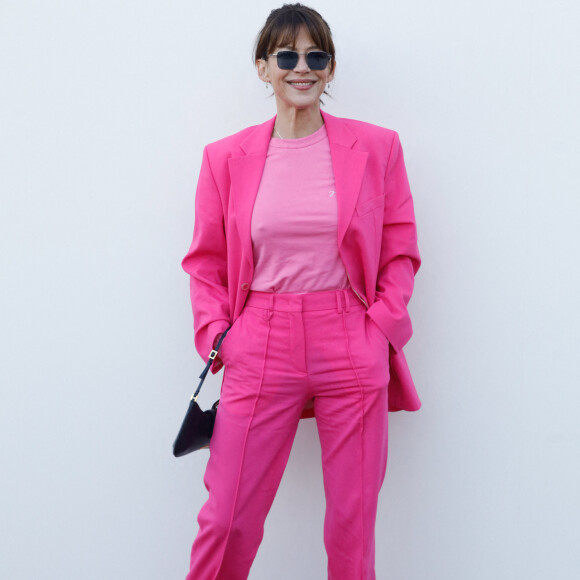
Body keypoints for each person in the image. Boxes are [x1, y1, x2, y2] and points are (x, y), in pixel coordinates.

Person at [181, 4, 421, 579]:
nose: (302, 67)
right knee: (229, 518)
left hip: (350, 336)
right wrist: (220, 338)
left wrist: (379, 330)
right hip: (259, 338)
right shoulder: (225, 158)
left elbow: (400, 249)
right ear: (263, 67)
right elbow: (205, 263)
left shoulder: (378, 148)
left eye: (317, 56)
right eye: (286, 55)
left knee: (351, 521)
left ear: (331, 68)